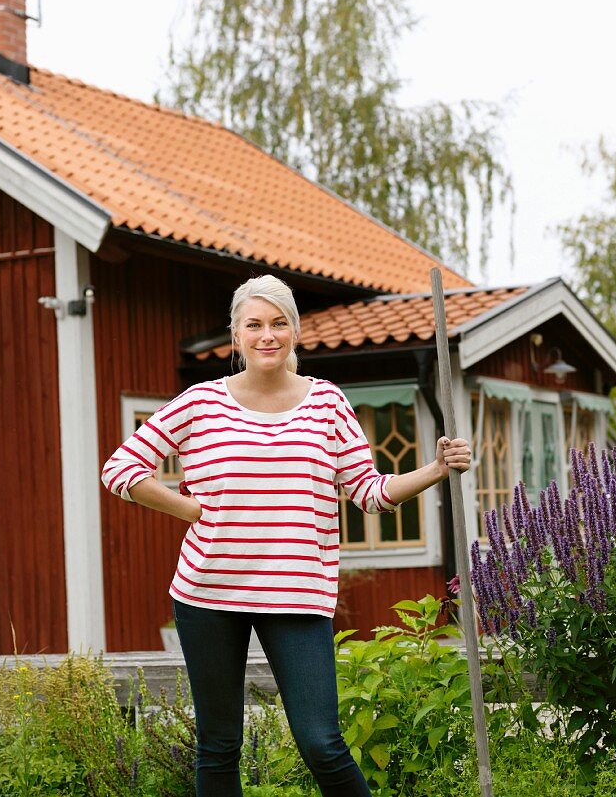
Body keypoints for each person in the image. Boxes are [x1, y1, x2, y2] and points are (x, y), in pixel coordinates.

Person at [101, 274, 472, 796]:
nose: (266, 335)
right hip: (208, 594)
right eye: (253, 325)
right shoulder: (199, 404)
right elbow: (122, 469)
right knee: (219, 744)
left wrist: (435, 468)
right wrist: (188, 507)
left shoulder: (327, 404)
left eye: (278, 324)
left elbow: (368, 491)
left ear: (295, 333)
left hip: (297, 595)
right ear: (236, 337)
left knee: (321, 741)